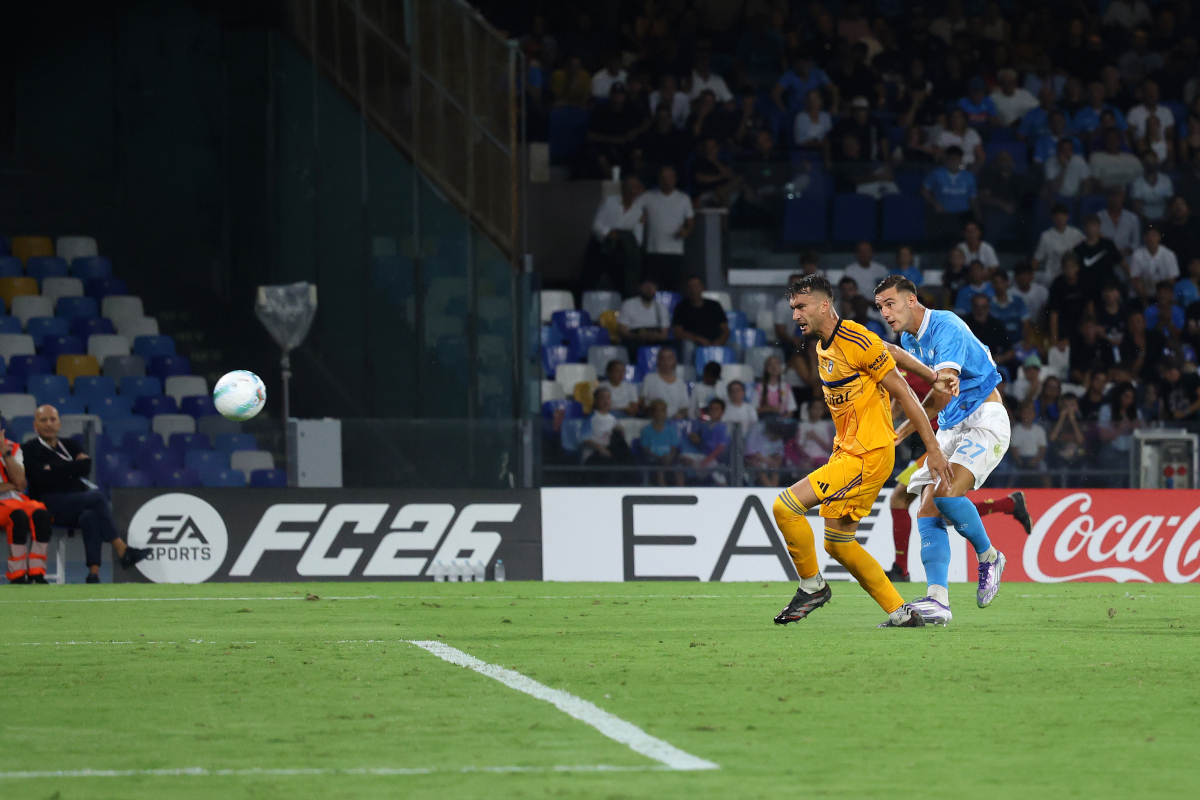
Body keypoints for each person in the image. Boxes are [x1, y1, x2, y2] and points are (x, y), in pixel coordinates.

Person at [770, 273, 948, 629]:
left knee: (785, 507)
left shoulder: (856, 339)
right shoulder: (825, 345)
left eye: (801, 307)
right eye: (792, 308)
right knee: (838, 542)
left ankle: (812, 587)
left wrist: (933, 449)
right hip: (848, 452)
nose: (795, 315)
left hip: (868, 455)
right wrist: (931, 375)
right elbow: (891, 351)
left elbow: (904, 393)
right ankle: (901, 614)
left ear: (824, 305)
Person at [876, 275, 1015, 624]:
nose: (885, 313)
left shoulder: (945, 326)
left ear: (911, 300)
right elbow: (919, 393)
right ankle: (937, 600)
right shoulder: (909, 338)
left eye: (890, 304)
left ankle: (990, 556)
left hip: (983, 418)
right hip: (951, 426)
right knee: (927, 509)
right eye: (880, 307)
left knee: (946, 496)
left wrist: (902, 431)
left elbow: (941, 392)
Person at [23, 405, 150, 583]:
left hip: (74, 505)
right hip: (46, 505)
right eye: (43, 420)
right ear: (35, 425)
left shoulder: (70, 445)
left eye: (53, 419)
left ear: (59, 424)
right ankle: (122, 549)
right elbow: (39, 478)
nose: (49, 424)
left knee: (90, 515)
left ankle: (93, 574)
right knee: (96, 497)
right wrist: (70, 469)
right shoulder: (28, 449)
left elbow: (85, 467)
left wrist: (54, 468)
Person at [0, 419, 53, 584]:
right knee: (18, 516)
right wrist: (12, 484)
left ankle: (37, 572)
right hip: (7, 507)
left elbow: (20, 483)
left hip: (15, 501)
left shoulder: (13, 448)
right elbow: (16, 483)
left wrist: (5, 453)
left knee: (41, 515)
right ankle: (17, 574)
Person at [583, 175, 645, 295]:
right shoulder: (610, 201)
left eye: (636, 188)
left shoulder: (638, 211)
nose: (633, 191)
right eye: (630, 187)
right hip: (600, 250)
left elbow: (638, 240)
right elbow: (596, 225)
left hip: (620, 255)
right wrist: (608, 233)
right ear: (623, 188)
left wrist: (623, 237)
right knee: (593, 284)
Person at [636, 166, 694, 291]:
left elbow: (690, 223)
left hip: (675, 253)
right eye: (663, 178)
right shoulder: (648, 197)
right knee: (651, 289)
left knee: (673, 289)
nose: (666, 181)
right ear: (658, 179)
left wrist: (685, 232)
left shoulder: (683, 198)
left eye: (669, 177)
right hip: (653, 251)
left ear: (675, 179)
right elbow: (634, 211)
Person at [921, 146, 978, 243]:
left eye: (957, 159)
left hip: (963, 214)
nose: (955, 161)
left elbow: (973, 198)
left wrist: (977, 214)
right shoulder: (936, 173)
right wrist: (935, 204)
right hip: (944, 213)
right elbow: (923, 190)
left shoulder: (968, 176)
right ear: (947, 159)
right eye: (952, 158)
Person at [581, 388, 634, 480]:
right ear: (596, 401)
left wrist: (621, 431)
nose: (605, 401)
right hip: (594, 454)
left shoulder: (613, 419)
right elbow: (584, 440)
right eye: (602, 398)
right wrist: (600, 448)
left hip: (610, 453)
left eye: (608, 398)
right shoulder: (591, 418)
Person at [1073, 214, 1125, 303]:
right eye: (1088, 226)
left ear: (1099, 227)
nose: (1091, 229)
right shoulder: (1079, 249)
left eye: (1094, 225)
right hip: (1088, 290)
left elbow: (1122, 262)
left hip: (1107, 289)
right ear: (1084, 228)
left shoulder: (1108, 244)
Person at [672, 277, 729, 355]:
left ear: (702, 288)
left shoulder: (714, 305)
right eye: (690, 287)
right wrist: (697, 339)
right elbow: (678, 332)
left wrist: (719, 342)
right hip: (694, 343)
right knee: (687, 345)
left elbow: (725, 330)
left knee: (736, 346)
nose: (693, 290)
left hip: (716, 342)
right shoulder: (681, 307)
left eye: (696, 286)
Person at [617, 279, 671, 361]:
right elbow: (621, 329)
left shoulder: (661, 307)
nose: (650, 289)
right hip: (634, 339)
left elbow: (664, 333)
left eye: (652, 287)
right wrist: (637, 336)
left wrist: (653, 336)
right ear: (640, 288)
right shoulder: (628, 304)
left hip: (654, 339)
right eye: (646, 286)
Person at [1032, 203, 1085, 285]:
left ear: (1067, 217)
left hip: (1072, 275)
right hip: (1052, 276)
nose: (1060, 219)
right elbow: (1037, 258)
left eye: (1062, 216)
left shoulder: (1076, 233)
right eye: (1057, 216)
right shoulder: (1046, 236)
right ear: (1053, 217)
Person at [680, 398, 730, 485]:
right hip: (703, 456)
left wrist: (705, 462)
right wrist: (694, 436)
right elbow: (700, 441)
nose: (713, 411)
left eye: (716, 409)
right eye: (711, 409)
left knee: (715, 471)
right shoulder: (705, 425)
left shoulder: (724, 427)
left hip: (715, 459)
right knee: (683, 457)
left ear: (722, 412)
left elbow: (720, 448)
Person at [1130, 226, 1180, 304]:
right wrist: (1145, 301)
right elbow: (1136, 279)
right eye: (1147, 235)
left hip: (1163, 295)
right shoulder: (1137, 254)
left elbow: (1171, 279)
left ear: (1159, 237)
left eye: (1153, 235)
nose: (1150, 238)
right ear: (1144, 238)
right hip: (1143, 296)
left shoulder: (1169, 254)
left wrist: (1163, 296)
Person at [1047, 254, 1089, 344]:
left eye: (1072, 267)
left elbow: (1089, 307)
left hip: (1080, 323)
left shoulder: (1084, 282)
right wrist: (1055, 340)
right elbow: (1054, 314)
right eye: (1066, 267)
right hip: (1063, 325)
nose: (1070, 270)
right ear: (1062, 268)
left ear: (1077, 267)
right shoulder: (1057, 285)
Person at [639, 399, 683, 486]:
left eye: (662, 411)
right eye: (656, 411)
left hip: (669, 458)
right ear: (651, 413)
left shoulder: (671, 430)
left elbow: (674, 447)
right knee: (660, 472)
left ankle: (680, 491)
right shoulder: (646, 430)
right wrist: (658, 457)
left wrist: (669, 457)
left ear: (666, 413)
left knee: (679, 470)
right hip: (654, 459)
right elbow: (645, 449)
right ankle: (663, 491)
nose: (659, 414)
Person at [641, 347, 689, 420]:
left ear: (674, 360)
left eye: (669, 358)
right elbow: (642, 402)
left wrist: (680, 415)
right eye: (662, 359)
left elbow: (684, 407)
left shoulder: (680, 383)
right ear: (658, 361)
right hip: (654, 421)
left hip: (674, 421)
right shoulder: (649, 379)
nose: (666, 362)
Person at [1008, 402, 1049, 486]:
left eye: (1030, 413)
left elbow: (1043, 448)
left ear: (1034, 415)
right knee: (1012, 474)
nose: (1027, 415)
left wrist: (1035, 460)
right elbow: (1014, 449)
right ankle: (1006, 492)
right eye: (1025, 413)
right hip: (1020, 459)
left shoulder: (1039, 430)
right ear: (1021, 415)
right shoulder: (1016, 429)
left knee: (1045, 472)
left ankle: (1049, 492)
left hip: (1036, 459)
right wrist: (1019, 461)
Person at [1129, 151, 1174, 222]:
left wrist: (1164, 219)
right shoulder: (1137, 182)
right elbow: (1137, 207)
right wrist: (1148, 223)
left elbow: (1170, 203)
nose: (1150, 164)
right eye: (1147, 161)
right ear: (1143, 163)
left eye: (1152, 161)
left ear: (1157, 162)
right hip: (1144, 221)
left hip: (1164, 220)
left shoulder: (1165, 180)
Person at [989, 269, 1031, 346]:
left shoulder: (1018, 301)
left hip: (1018, 343)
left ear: (1007, 283)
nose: (999, 285)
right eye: (996, 282)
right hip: (998, 344)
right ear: (992, 285)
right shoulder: (989, 304)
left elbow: (1026, 322)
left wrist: (1027, 342)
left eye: (1001, 282)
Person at [1100, 187, 1142, 261]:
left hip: (1127, 259)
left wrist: (1122, 253)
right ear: (1107, 198)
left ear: (1123, 198)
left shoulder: (1132, 218)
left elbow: (1136, 243)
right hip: (1104, 259)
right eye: (1112, 196)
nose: (1115, 199)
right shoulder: (1098, 217)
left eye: (1118, 196)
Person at [1010, 262, 1050, 333]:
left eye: (1026, 275)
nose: (1023, 278)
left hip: (1040, 329)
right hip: (1019, 330)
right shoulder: (1010, 293)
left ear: (1032, 275)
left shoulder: (1042, 291)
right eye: (1020, 275)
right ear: (1016, 277)